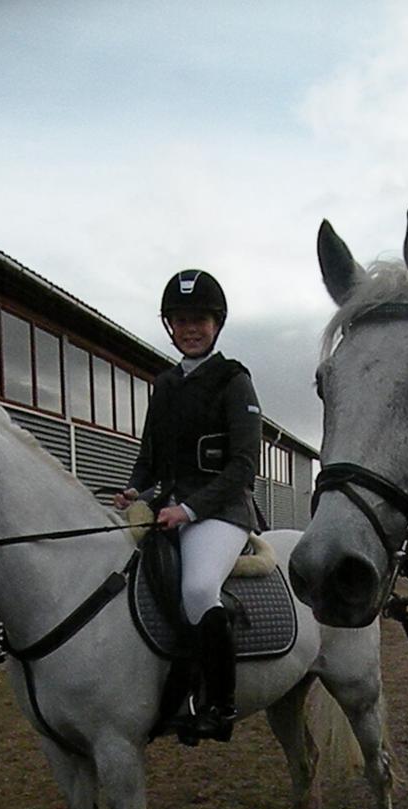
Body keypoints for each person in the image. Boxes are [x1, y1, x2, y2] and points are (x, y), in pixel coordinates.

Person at [113, 269, 262, 742]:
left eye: (198, 319)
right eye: (180, 320)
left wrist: (190, 510)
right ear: (170, 326)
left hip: (220, 513)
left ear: (216, 324)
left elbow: (242, 467)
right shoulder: (165, 384)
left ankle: (220, 702)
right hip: (168, 510)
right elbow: (149, 459)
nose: (189, 328)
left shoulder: (233, 381)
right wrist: (135, 491)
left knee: (197, 589)